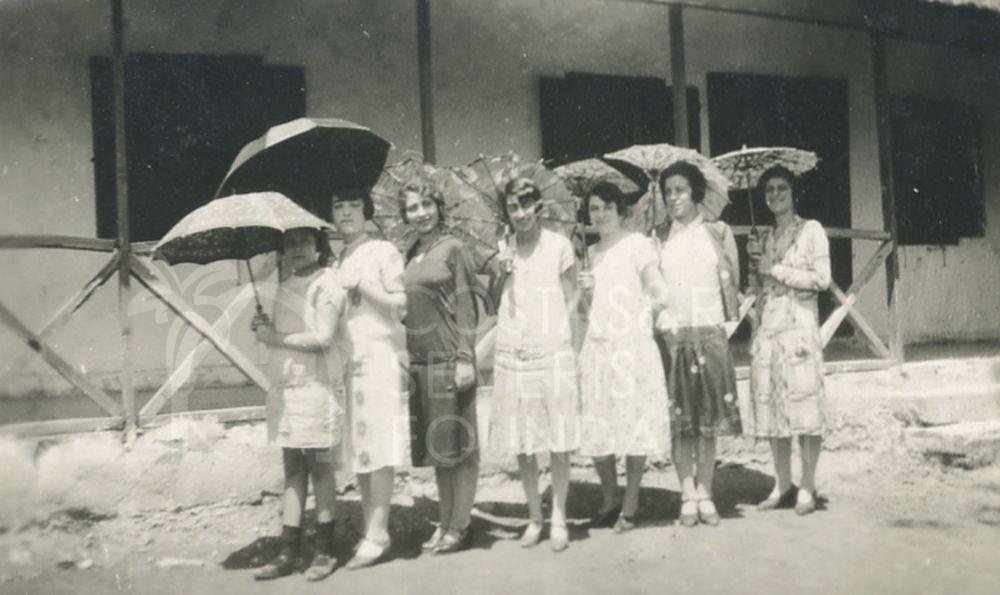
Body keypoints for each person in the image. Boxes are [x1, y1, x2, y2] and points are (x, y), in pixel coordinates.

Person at [488, 176, 581, 552]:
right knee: (524, 442)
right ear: (507, 213)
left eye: (527, 204)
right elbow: (492, 301)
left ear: (538, 206)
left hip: (552, 350)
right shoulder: (503, 249)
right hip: (514, 349)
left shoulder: (559, 246)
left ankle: (558, 515)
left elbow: (573, 300)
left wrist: (564, 340)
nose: (521, 213)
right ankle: (534, 517)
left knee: (558, 439)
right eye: (514, 207)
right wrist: (500, 269)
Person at [577, 182, 672, 532]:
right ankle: (609, 497)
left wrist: (638, 316)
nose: (599, 215)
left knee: (633, 425)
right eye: (593, 209)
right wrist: (587, 292)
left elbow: (661, 292)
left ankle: (630, 504)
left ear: (620, 209)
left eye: (605, 207)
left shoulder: (637, 245)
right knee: (598, 424)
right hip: (599, 346)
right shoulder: (591, 253)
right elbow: (590, 310)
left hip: (630, 347)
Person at [252, 227, 346, 581]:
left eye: (304, 241)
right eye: (289, 242)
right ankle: (288, 550)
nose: (296, 248)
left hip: (317, 389)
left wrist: (273, 337)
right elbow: (282, 336)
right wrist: (264, 328)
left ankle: (325, 549)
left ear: (319, 246)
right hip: (287, 390)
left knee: (320, 468)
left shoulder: (328, 283)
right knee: (292, 468)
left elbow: (323, 337)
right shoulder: (283, 285)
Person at [655, 161, 742, 528]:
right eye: (668, 191)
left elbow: (733, 284)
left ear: (695, 193)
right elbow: (650, 288)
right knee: (680, 423)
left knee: (707, 422)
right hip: (673, 336)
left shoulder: (718, 232)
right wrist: (664, 322)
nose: (674, 197)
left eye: (680, 190)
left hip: (709, 333)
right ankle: (686, 493)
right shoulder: (658, 237)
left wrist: (724, 326)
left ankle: (705, 490)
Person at [401, 179, 482, 554]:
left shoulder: (454, 248)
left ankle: (460, 525)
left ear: (438, 206)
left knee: (460, 449)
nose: (420, 213)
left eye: (425, 205)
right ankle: (445, 521)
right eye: (412, 208)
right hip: (421, 362)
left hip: (450, 359)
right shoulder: (411, 252)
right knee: (439, 451)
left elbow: (468, 305)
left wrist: (465, 357)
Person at [331, 188, 409, 569]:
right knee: (361, 446)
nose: (345, 212)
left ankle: (378, 533)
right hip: (352, 360)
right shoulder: (339, 257)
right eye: (338, 205)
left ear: (367, 211)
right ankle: (371, 529)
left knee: (379, 442)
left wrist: (359, 284)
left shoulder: (383, 251)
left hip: (380, 357)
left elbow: (401, 305)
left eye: (352, 205)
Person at [747, 165, 830, 516]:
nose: (775, 195)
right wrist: (754, 265)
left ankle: (807, 486)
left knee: (804, 409)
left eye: (781, 188)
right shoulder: (763, 237)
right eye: (769, 190)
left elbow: (823, 280)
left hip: (799, 330)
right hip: (769, 331)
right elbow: (758, 289)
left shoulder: (811, 231)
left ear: (793, 193)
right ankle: (782, 483)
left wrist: (776, 269)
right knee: (773, 410)